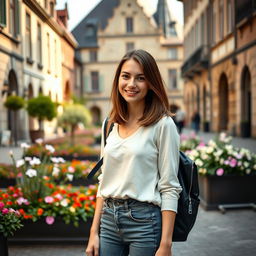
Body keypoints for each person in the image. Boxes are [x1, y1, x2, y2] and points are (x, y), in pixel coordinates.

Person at [85, 49, 182, 256]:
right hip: (109, 220)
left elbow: (170, 187)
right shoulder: (109, 125)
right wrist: (94, 232)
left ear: (151, 83)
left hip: (144, 222)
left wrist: (166, 244)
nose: (131, 84)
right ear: (117, 79)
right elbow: (104, 181)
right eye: (125, 76)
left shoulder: (163, 125)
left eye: (141, 78)